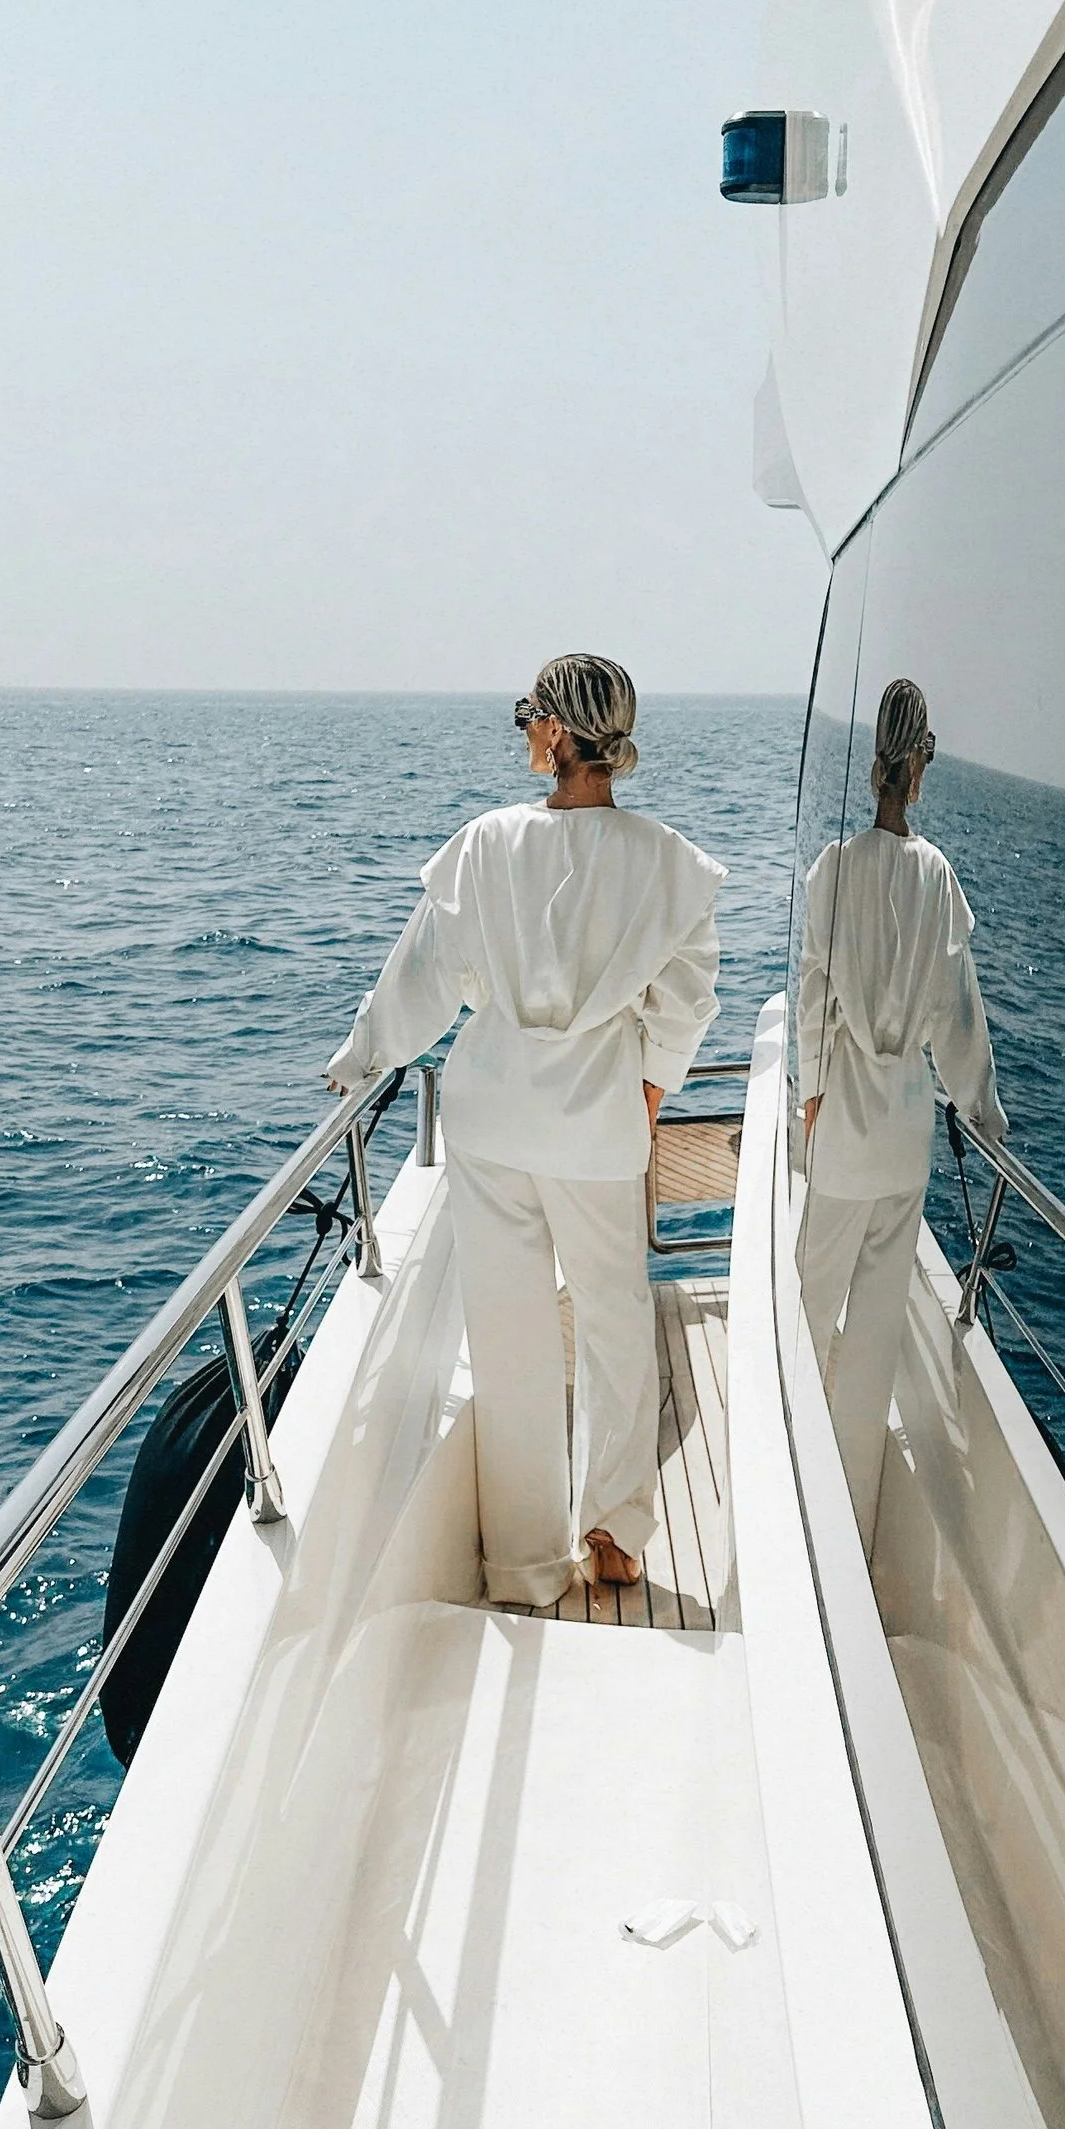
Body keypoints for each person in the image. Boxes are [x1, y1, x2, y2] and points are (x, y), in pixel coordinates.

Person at [327, 655, 724, 1608]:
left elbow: (420, 980)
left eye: (526, 718)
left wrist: (356, 1061)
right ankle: (616, 1534)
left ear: (554, 734)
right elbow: (686, 1001)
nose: (522, 734)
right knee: (617, 1325)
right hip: (597, 1124)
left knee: (507, 1335)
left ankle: (523, 1562)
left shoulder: (484, 847)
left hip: (495, 1119)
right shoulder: (669, 862)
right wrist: (649, 1091)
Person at [797, 677, 1007, 1544]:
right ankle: (850, 1508)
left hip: (843, 1114)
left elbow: (811, 998)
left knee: (809, 1300)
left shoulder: (834, 870)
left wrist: (811, 1092)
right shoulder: (937, 879)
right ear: (919, 764)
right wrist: (987, 1121)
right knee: (878, 1324)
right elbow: (960, 1021)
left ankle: (790, 1469)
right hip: (906, 1126)